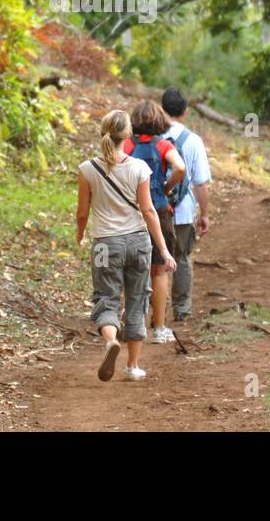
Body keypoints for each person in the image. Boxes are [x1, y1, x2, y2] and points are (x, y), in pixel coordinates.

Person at [77, 109, 177, 382]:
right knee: (137, 299)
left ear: (103, 134)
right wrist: (164, 250)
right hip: (138, 243)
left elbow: (83, 212)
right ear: (128, 136)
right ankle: (132, 367)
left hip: (103, 246)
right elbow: (148, 211)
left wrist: (80, 233)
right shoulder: (139, 168)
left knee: (105, 297)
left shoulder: (87, 169)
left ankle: (110, 340)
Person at [123, 99, 186, 345]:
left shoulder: (126, 145)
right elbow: (179, 167)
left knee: (131, 270)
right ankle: (159, 329)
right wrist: (166, 187)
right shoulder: (162, 145)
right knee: (159, 271)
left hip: (131, 211)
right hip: (159, 210)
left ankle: (131, 324)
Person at [161, 87, 213, 322]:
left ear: (162, 109)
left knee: (155, 261)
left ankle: (155, 311)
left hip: (155, 210)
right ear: (185, 111)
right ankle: (181, 309)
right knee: (181, 258)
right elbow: (200, 183)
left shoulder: (152, 137)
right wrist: (205, 214)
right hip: (182, 211)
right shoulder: (193, 141)